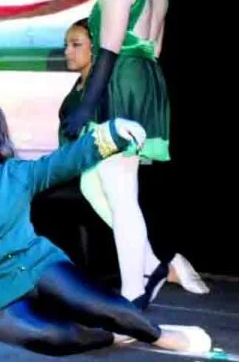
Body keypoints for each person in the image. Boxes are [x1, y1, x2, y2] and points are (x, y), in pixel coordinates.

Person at [0, 102, 212, 357]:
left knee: (102, 305)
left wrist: (112, 133)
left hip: (37, 266)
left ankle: (157, 334)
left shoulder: (16, 175)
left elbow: (64, 161)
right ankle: (110, 336)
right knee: (53, 338)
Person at [60, 0, 207, 306]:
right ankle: (150, 264)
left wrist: (85, 107)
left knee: (120, 190)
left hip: (120, 81)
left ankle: (134, 289)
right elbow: (154, 47)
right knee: (94, 183)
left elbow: (105, 52)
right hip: (146, 80)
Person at [58, 19, 207, 298]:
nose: (68, 51)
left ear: (97, 48)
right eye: (66, 45)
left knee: (114, 199)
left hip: (112, 145)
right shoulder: (80, 88)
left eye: (76, 44)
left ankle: (145, 277)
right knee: (92, 190)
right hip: (85, 156)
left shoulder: (107, 88)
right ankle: (155, 264)